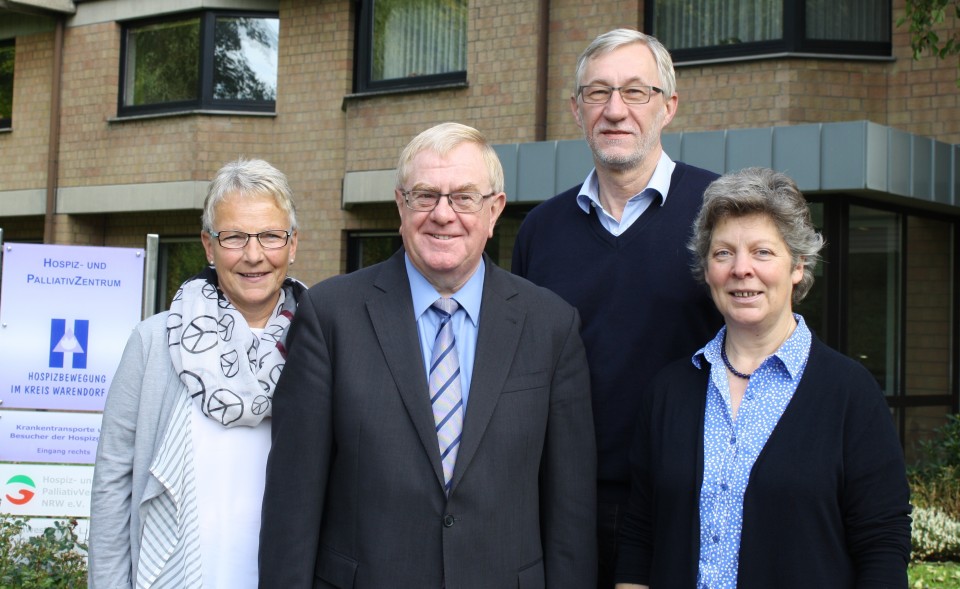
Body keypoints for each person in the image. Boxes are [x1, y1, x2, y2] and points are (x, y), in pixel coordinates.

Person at [258, 122, 597, 588]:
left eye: (463, 197)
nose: (443, 214)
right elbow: (291, 503)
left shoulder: (551, 325)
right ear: (400, 204)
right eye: (425, 195)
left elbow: (571, 514)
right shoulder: (330, 316)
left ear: (494, 210)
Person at [614, 167, 912, 589]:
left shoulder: (850, 394)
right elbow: (640, 537)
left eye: (762, 252)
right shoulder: (669, 392)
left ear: (798, 265)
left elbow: (882, 544)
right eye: (723, 253)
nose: (741, 269)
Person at [511, 28, 723, 586]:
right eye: (597, 93)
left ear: (668, 106)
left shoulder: (720, 213)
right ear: (576, 110)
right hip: (561, 500)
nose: (614, 110)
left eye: (635, 92)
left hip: (686, 495)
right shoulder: (541, 230)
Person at [89, 158, 304, 588]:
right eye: (235, 237)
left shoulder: (322, 342)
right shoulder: (153, 343)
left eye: (269, 236)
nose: (254, 254)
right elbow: (113, 486)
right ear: (208, 245)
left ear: (292, 244)